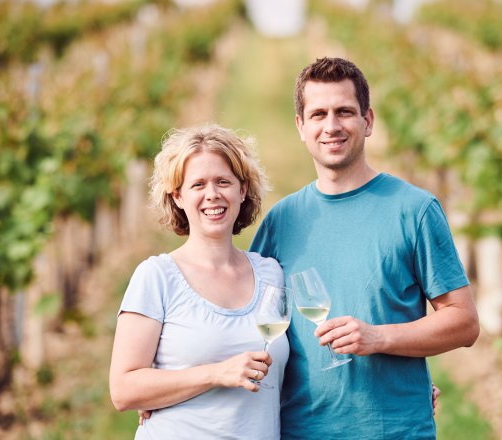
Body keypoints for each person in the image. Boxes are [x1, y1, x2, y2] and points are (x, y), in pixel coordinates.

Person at [249, 57, 480, 439]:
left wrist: (379, 338)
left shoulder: (415, 210)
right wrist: (177, 392)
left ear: (367, 121)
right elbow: (245, 319)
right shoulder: (281, 220)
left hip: (396, 430)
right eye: (318, 114)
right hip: (302, 431)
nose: (332, 126)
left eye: (345, 112)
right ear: (301, 127)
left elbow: (465, 323)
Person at [109, 124, 288, 439]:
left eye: (223, 181)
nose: (212, 195)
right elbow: (123, 389)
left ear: (243, 190)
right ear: (177, 196)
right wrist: (216, 374)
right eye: (198, 185)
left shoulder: (271, 273)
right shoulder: (156, 277)